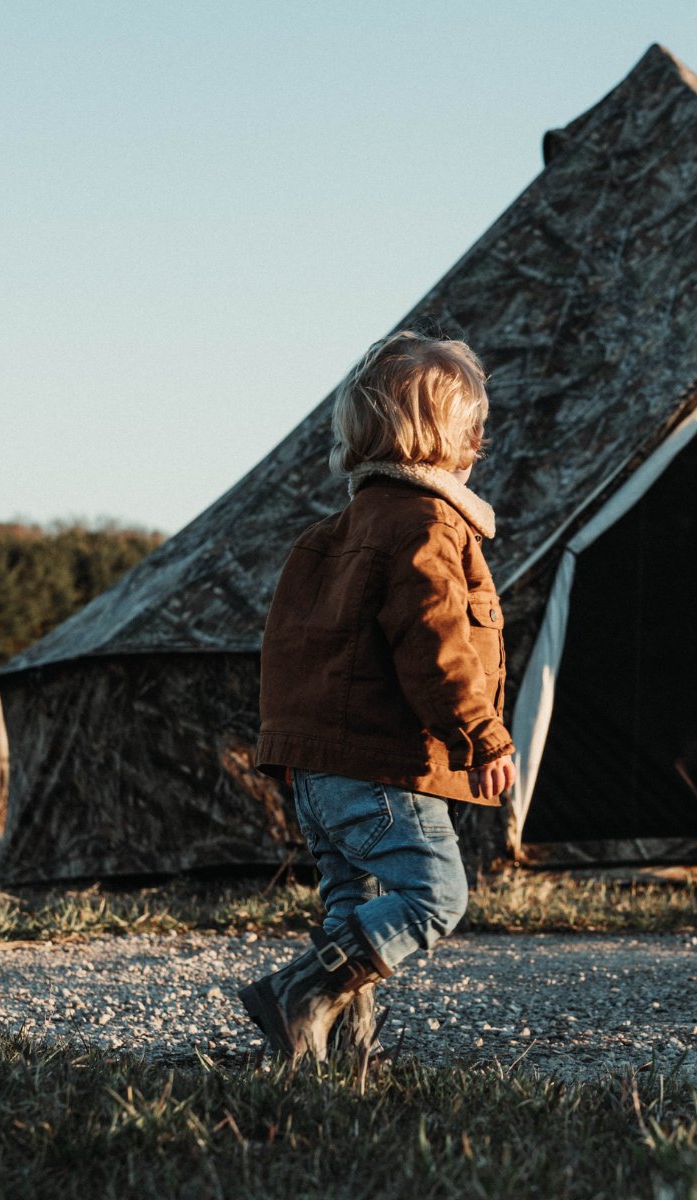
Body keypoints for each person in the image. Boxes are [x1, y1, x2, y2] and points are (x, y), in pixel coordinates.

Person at [240, 330, 516, 1062]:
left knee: (351, 904)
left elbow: (291, 656)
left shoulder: (325, 536)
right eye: (473, 430)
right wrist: (481, 736)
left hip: (319, 770)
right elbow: (436, 646)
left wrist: (289, 755)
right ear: (445, 440)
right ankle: (301, 992)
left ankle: (335, 1048)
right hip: (383, 766)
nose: (479, 443)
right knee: (435, 896)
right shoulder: (427, 528)